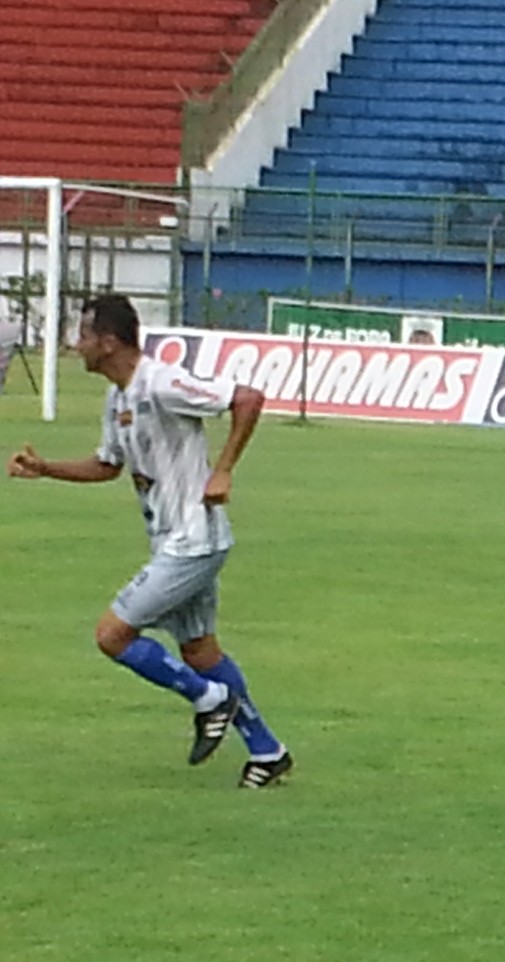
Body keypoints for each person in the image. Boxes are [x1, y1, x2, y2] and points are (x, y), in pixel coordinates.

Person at [6, 293, 294, 786]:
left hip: (193, 539)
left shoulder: (161, 381)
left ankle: (210, 700)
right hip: (173, 539)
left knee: (112, 635)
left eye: (84, 336)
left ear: (110, 342)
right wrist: (47, 469)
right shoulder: (118, 397)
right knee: (201, 652)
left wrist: (222, 471)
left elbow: (247, 399)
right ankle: (268, 751)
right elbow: (107, 465)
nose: (77, 346)